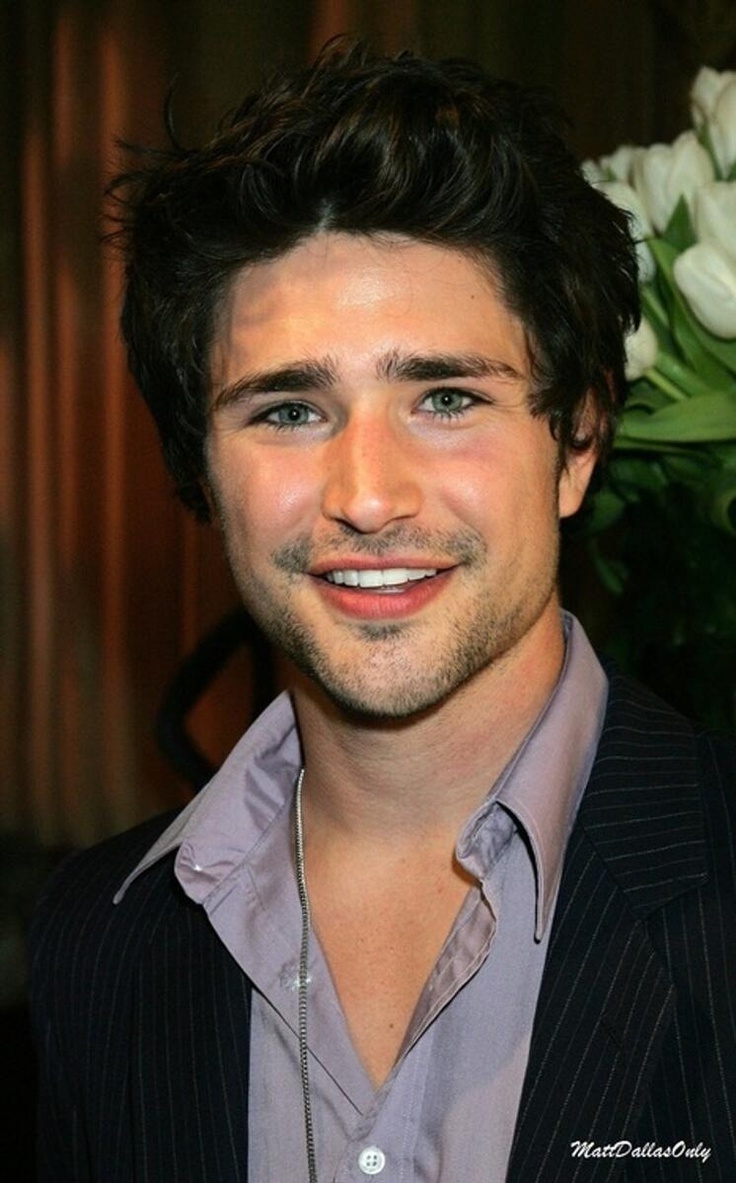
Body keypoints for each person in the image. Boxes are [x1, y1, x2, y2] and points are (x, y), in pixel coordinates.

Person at [30, 40, 736, 1182]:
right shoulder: (98, 943)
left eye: (446, 397)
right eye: (289, 411)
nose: (366, 495)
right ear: (202, 474)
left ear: (578, 442)